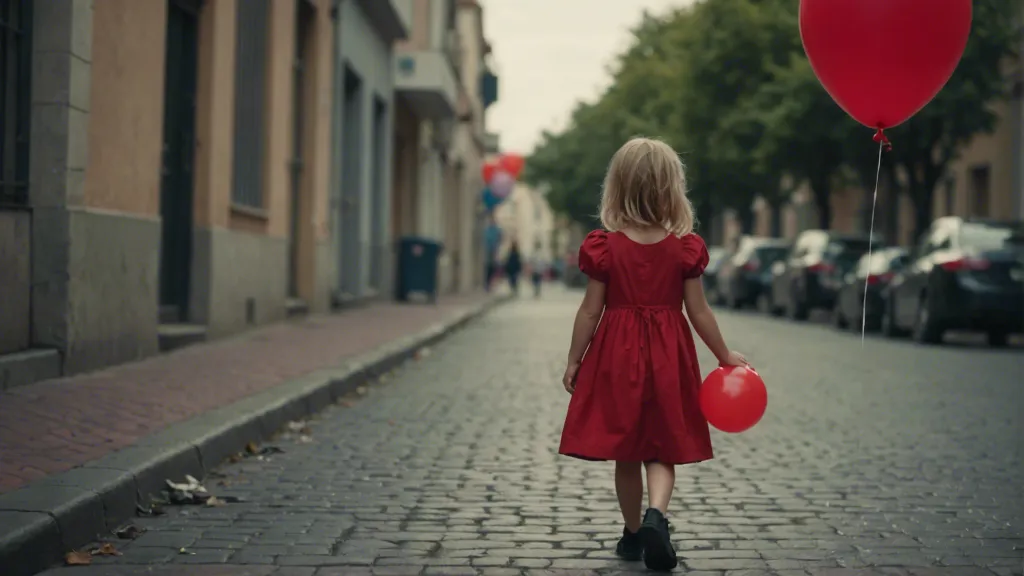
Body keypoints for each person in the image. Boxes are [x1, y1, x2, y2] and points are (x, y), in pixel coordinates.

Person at [558, 137, 750, 572]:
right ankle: (656, 517)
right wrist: (723, 356)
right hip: (669, 354)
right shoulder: (684, 247)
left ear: (618, 187)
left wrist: (574, 359)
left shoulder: (606, 246)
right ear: (671, 188)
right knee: (661, 447)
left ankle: (631, 535)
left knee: (627, 450)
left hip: (617, 354)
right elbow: (698, 310)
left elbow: (591, 309)